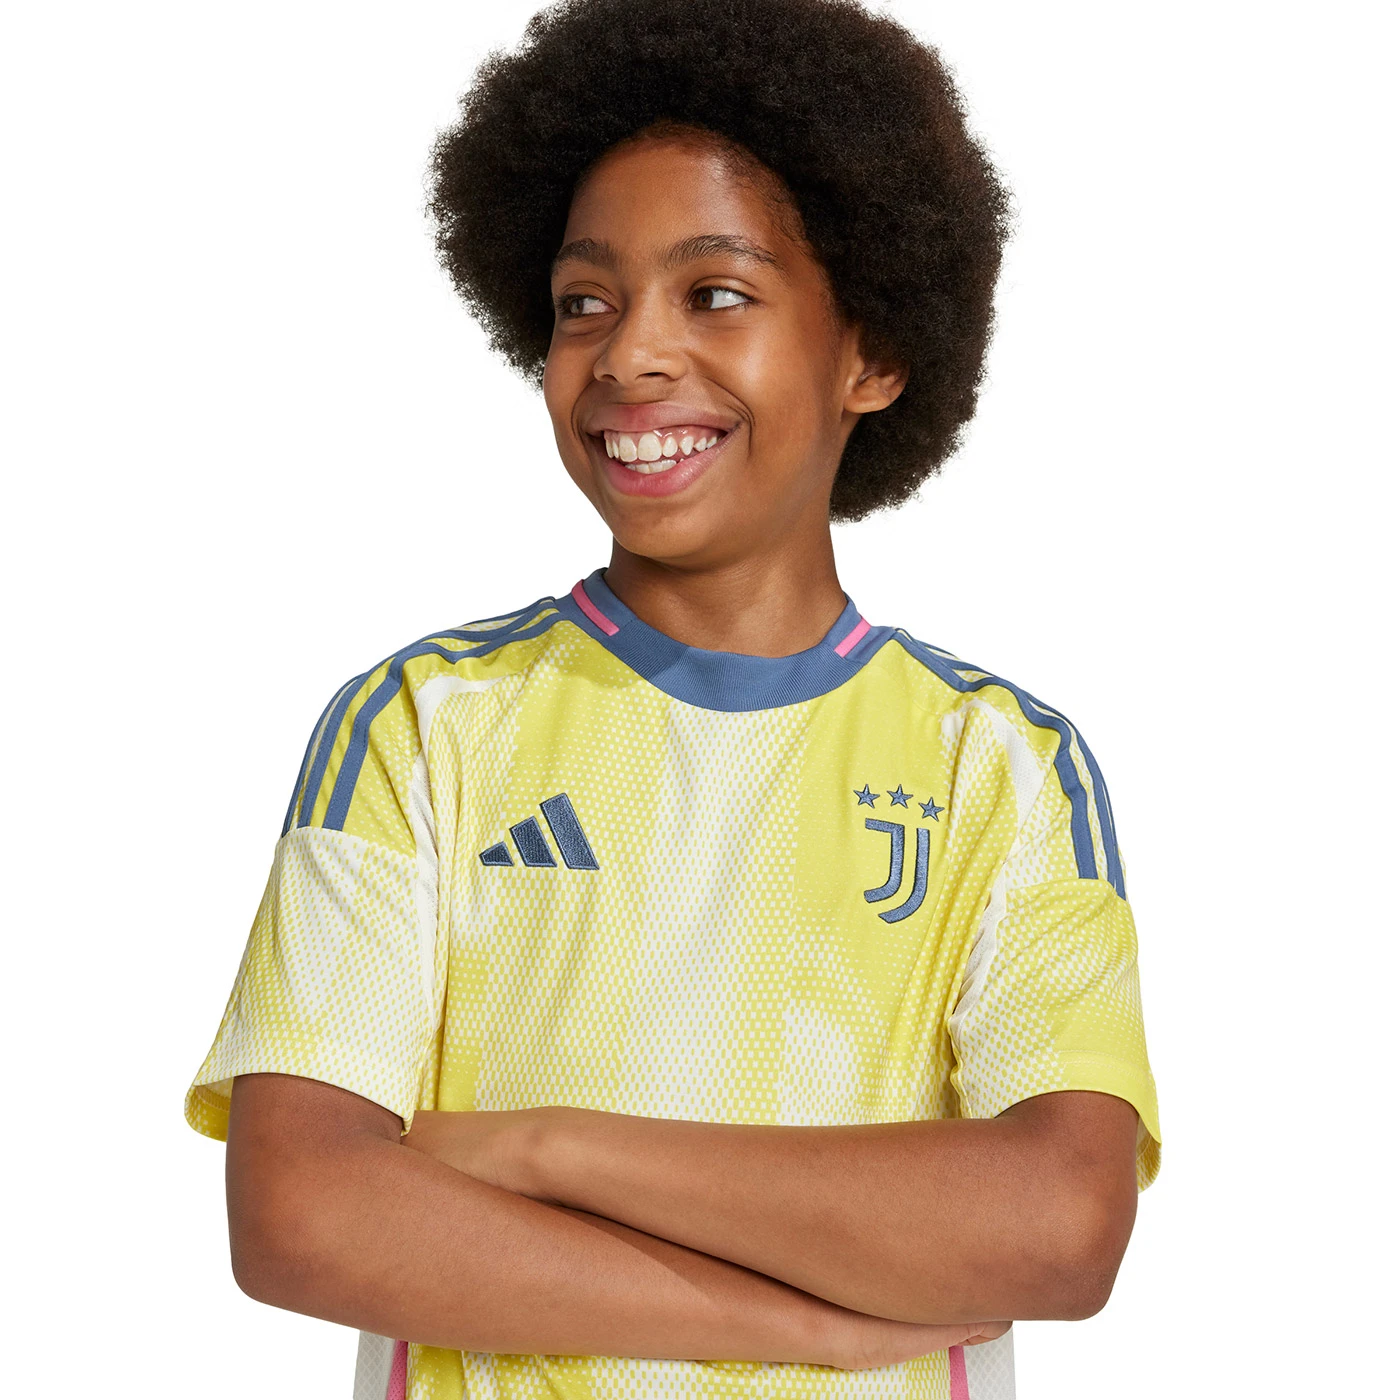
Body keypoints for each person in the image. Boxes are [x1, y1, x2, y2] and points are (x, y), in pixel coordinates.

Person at [184, 0, 1161, 1396]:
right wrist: (803, 1320)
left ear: (872, 353)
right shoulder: (419, 725)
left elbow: (1057, 1227)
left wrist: (541, 1148)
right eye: (585, 303)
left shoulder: (1001, 766)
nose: (630, 354)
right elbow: (304, 1213)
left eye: (715, 294)